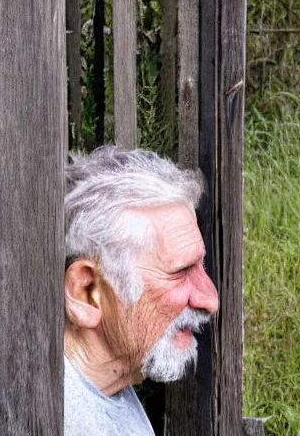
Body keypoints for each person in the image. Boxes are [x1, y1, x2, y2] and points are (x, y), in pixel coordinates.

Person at [63, 146, 219, 436]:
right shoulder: (60, 421)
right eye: (180, 272)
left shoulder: (109, 386)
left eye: (200, 266)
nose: (209, 299)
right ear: (87, 291)